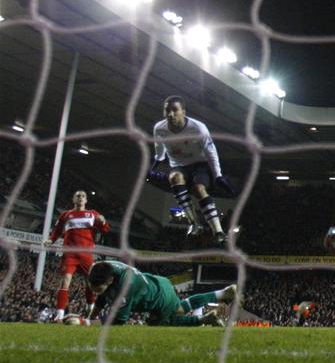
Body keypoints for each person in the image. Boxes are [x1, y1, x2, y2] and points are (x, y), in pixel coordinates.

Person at [149, 95, 235, 245]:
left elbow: (211, 151)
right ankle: (193, 223)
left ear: (183, 111)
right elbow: (159, 146)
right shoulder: (159, 128)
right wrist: (158, 158)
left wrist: (218, 175)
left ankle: (218, 231)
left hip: (200, 164)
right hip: (179, 165)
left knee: (198, 189)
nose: (170, 114)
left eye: (175, 110)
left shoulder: (198, 128)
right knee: (174, 177)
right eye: (167, 110)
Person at [87, 260, 238, 326]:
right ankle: (222, 293)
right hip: (158, 282)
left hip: (159, 296)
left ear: (110, 281)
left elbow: (119, 322)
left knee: (166, 320)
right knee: (180, 307)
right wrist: (89, 318)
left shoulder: (124, 288)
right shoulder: (103, 268)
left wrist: (93, 325)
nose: (95, 292)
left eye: (98, 289)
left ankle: (204, 320)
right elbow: (102, 297)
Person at [43, 190, 110, 322]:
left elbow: (105, 229)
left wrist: (103, 221)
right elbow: (56, 231)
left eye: (83, 196)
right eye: (78, 196)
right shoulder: (66, 215)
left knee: (90, 283)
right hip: (70, 254)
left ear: (86, 200)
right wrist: (51, 240)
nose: (80, 198)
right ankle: (60, 315)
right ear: (73, 199)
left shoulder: (92, 214)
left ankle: (90, 311)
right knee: (65, 281)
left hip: (86, 254)